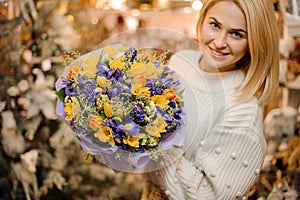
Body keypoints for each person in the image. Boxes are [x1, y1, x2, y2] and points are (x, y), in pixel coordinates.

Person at [142, 0, 280, 199]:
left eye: (237, 34)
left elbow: (208, 195)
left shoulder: (243, 111)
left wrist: (151, 145)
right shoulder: (181, 60)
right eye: (215, 25)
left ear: (254, 42)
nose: (219, 42)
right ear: (203, 18)